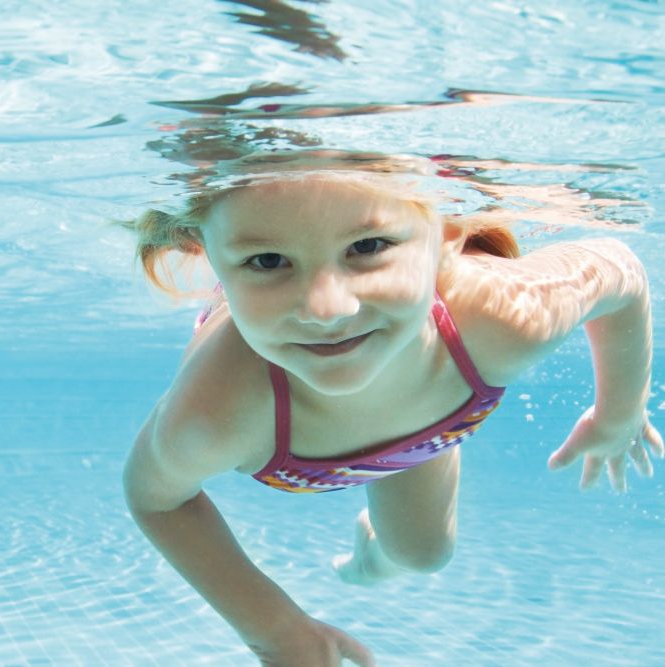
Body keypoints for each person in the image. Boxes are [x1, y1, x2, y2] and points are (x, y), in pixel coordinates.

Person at [120, 169, 661, 667]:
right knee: (426, 551)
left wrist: (620, 412)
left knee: (423, 555)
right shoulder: (216, 413)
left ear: (448, 231)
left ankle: (369, 563)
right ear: (209, 257)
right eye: (266, 261)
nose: (326, 309)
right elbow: (156, 497)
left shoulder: (501, 318)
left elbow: (621, 271)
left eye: (368, 247)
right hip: (412, 415)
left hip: (431, 423)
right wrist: (276, 629)